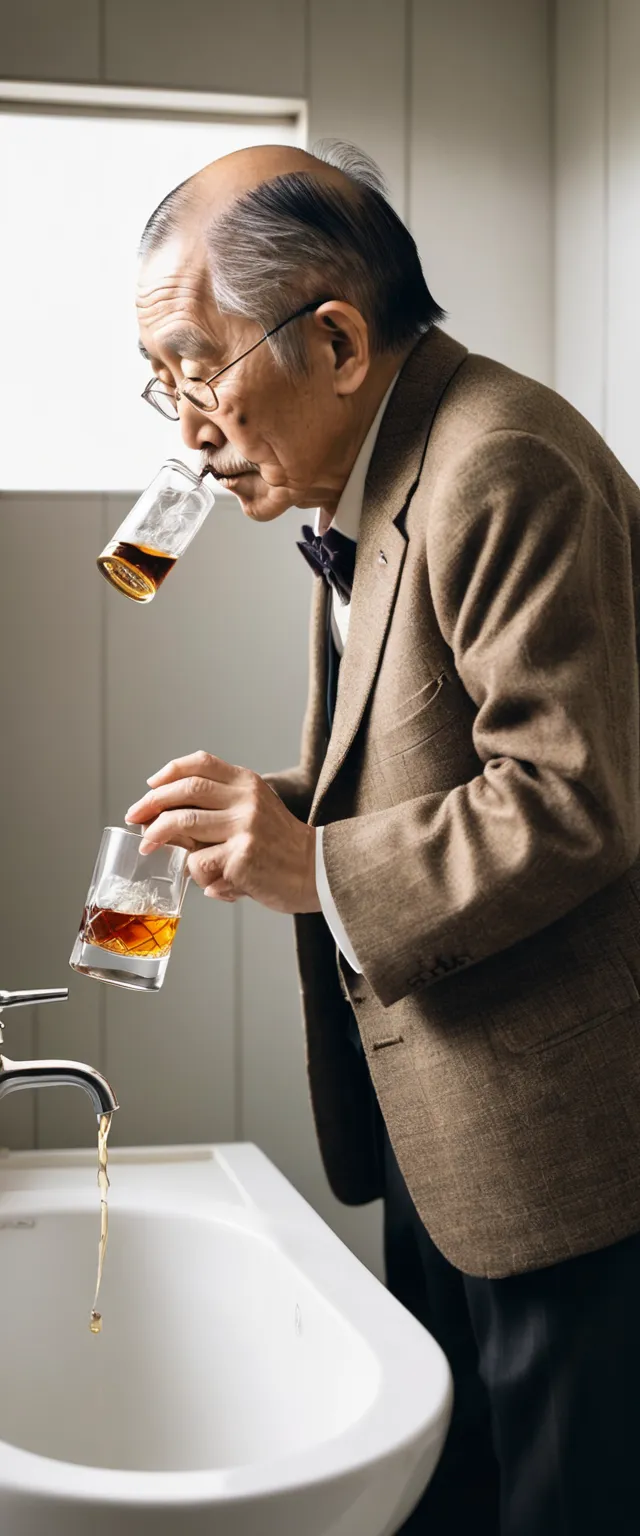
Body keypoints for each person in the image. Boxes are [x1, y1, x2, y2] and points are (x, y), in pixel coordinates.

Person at [125, 140, 640, 1534]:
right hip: (450, 1126)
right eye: (161, 384)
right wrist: (283, 805)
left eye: (196, 370)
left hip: (561, 1153)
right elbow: (435, 753)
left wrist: (312, 863)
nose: (186, 431)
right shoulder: (387, 468)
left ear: (338, 339)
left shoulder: (504, 462)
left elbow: (573, 797)